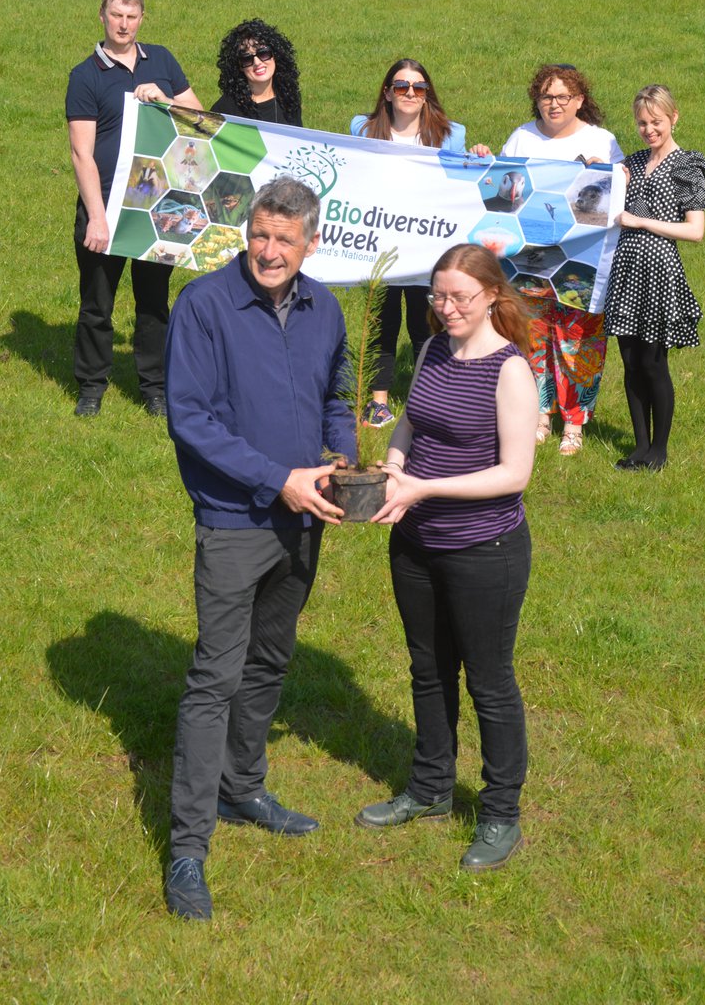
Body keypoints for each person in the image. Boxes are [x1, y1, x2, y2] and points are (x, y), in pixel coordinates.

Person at [163, 176, 356, 921]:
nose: (269, 252)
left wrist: (340, 459)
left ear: (312, 242)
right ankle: (188, 846)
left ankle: (242, 787)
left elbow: (336, 396)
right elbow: (192, 419)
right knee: (215, 675)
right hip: (235, 520)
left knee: (270, 659)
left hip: (307, 519)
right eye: (259, 236)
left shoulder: (324, 307)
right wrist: (279, 479)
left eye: (284, 240)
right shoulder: (204, 306)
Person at [356, 244, 538, 872]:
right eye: (438, 295)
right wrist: (394, 470)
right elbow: (409, 423)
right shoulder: (433, 350)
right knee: (427, 669)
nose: (446, 306)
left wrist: (424, 489)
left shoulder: (510, 369)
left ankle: (499, 815)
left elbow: (514, 474)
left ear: (492, 295)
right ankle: (430, 788)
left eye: (460, 295)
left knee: (489, 681)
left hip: (483, 549)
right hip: (414, 543)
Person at [66, 0, 203, 417]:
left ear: (141, 19)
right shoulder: (85, 75)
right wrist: (96, 217)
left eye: (132, 16)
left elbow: (200, 122)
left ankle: (155, 389)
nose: (124, 24)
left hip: (157, 207)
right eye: (116, 15)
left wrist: (164, 100)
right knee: (97, 303)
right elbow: (81, 153)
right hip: (106, 206)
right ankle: (91, 386)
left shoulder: (161, 60)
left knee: (153, 303)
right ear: (102, 17)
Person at [472, 64, 624, 454]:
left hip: (582, 264)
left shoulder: (602, 141)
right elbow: (501, 191)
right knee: (531, 339)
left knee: (579, 342)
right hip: (527, 263)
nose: (553, 104)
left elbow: (620, 191)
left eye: (562, 97)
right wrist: (486, 161)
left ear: (579, 101)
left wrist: (608, 172)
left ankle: (574, 422)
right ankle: (539, 415)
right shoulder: (522, 138)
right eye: (546, 96)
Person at [350, 59, 467, 428]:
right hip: (379, 240)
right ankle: (378, 401)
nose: (410, 94)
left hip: (426, 245)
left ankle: (426, 398)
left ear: (427, 94)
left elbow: (462, 182)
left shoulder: (451, 135)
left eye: (418, 87)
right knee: (383, 323)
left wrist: (478, 158)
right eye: (402, 87)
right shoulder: (363, 129)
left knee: (426, 323)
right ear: (387, 92)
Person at [604, 85, 705, 471]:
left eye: (656, 122)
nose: (649, 129)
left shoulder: (687, 165)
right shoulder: (631, 162)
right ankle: (639, 448)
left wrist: (640, 221)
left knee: (652, 362)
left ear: (674, 117)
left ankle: (659, 451)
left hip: (659, 270)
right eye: (642, 123)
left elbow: (695, 230)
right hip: (627, 269)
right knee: (630, 362)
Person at [211, 18, 302, 126]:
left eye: (263, 53)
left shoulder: (288, 97)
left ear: (275, 55)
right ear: (239, 66)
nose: (257, 62)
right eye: (247, 59)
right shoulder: (226, 109)